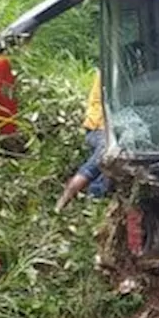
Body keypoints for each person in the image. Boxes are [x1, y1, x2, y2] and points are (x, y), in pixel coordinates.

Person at [55, 69, 109, 212]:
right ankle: (63, 201)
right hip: (100, 128)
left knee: (103, 175)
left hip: (111, 128)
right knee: (103, 155)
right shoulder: (111, 70)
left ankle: (93, 206)